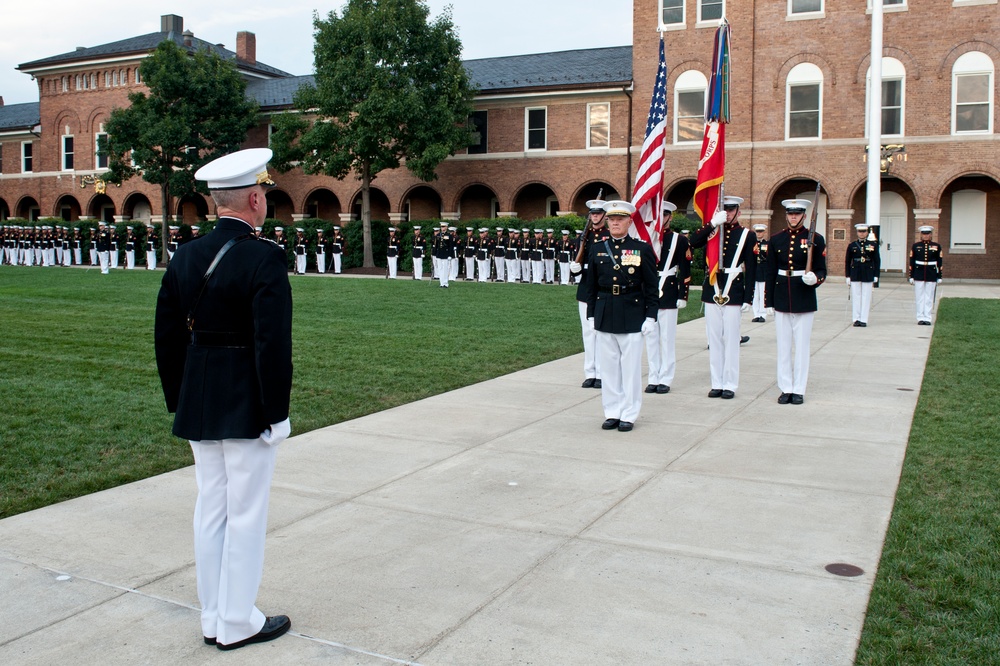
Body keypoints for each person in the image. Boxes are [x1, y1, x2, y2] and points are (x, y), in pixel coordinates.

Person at [154, 147, 292, 651]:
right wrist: (276, 413)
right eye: (264, 195)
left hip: (199, 398)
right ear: (255, 199)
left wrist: (180, 399)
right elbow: (271, 345)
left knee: (210, 507)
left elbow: (166, 336)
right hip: (247, 401)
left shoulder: (185, 255)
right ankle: (238, 621)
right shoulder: (265, 257)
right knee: (247, 513)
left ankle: (214, 616)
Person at [585, 200, 659, 432]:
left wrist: (651, 316)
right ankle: (612, 411)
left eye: (620, 219)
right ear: (607, 222)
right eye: (612, 219)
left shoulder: (642, 248)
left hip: (632, 312)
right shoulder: (597, 249)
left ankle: (629, 413)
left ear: (629, 221)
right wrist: (590, 313)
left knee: (630, 369)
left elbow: (651, 286)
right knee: (608, 368)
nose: (615, 223)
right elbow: (591, 285)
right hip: (605, 311)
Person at [689, 195, 756, 399]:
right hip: (713, 288)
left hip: (733, 289)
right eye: (724, 209)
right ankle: (716, 382)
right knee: (715, 339)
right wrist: (712, 223)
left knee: (731, 339)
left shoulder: (747, 235)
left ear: (739, 211)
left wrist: (748, 297)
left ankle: (730, 384)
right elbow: (693, 242)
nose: (727, 213)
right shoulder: (713, 231)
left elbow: (752, 269)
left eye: (731, 209)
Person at [765, 198, 827, 405]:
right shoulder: (776, 239)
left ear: (804, 215)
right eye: (790, 213)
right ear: (786, 215)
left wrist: (815, 279)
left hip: (804, 295)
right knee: (783, 347)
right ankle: (785, 388)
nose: (793, 216)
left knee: (801, 347)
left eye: (798, 213)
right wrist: (769, 301)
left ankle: (798, 389)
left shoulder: (816, 239)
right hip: (782, 294)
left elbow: (821, 269)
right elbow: (771, 272)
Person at [645, 201, 691, 394]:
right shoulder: (647, 238)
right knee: (651, 337)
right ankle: (653, 375)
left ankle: (666, 377)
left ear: (670, 217)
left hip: (669, 290)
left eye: (664, 215)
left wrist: (683, 294)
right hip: (649, 292)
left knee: (667, 338)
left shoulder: (679, 240)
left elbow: (685, 269)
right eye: (657, 215)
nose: (660, 219)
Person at [571, 200, 610, 388]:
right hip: (586, 287)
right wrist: (575, 268)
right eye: (592, 214)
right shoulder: (583, 237)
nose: (594, 216)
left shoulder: (609, 236)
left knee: (601, 332)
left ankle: (602, 373)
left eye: (598, 213)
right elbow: (577, 262)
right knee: (587, 333)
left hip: (602, 287)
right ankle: (590, 372)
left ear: (604, 215)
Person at [845, 223, 880, 327]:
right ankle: (856, 318)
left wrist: (876, 274)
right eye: (860, 231)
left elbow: (877, 261)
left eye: (864, 231)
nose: (862, 233)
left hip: (868, 272)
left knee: (866, 297)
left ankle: (863, 319)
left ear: (867, 232)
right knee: (856, 296)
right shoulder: (852, 245)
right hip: (855, 272)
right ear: (857, 233)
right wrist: (847, 276)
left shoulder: (873, 245)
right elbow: (847, 261)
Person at [909, 225, 942, 326]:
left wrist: (939, 276)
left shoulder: (936, 246)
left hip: (931, 272)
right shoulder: (915, 246)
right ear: (921, 235)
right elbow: (912, 261)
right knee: (919, 297)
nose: (926, 235)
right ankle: (920, 317)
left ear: (931, 234)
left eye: (927, 233)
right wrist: (911, 275)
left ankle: (927, 317)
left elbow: (939, 262)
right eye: (924, 234)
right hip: (919, 272)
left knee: (929, 297)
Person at [750, 223, 769, 322]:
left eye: (761, 231)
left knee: (763, 293)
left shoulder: (767, 244)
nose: (759, 234)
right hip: (754, 271)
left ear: (764, 232)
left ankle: (763, 314)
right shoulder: (752, 244)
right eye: (757, 231)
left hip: (763, 271)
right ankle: (756, 314)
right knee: (755, 294)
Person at [435, 222, 456, 288]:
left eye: (444, 227)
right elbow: (436, 246)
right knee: (440, 269)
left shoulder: (449, 235)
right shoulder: (438, 235)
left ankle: (445, 283)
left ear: (446, 227)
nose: (442, 228)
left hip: (446, 254)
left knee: (445, 269)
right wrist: (435, 253)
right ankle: (441, 283)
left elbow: (451, 246)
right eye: (441, 227)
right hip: (439, 254)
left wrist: (450, 255)